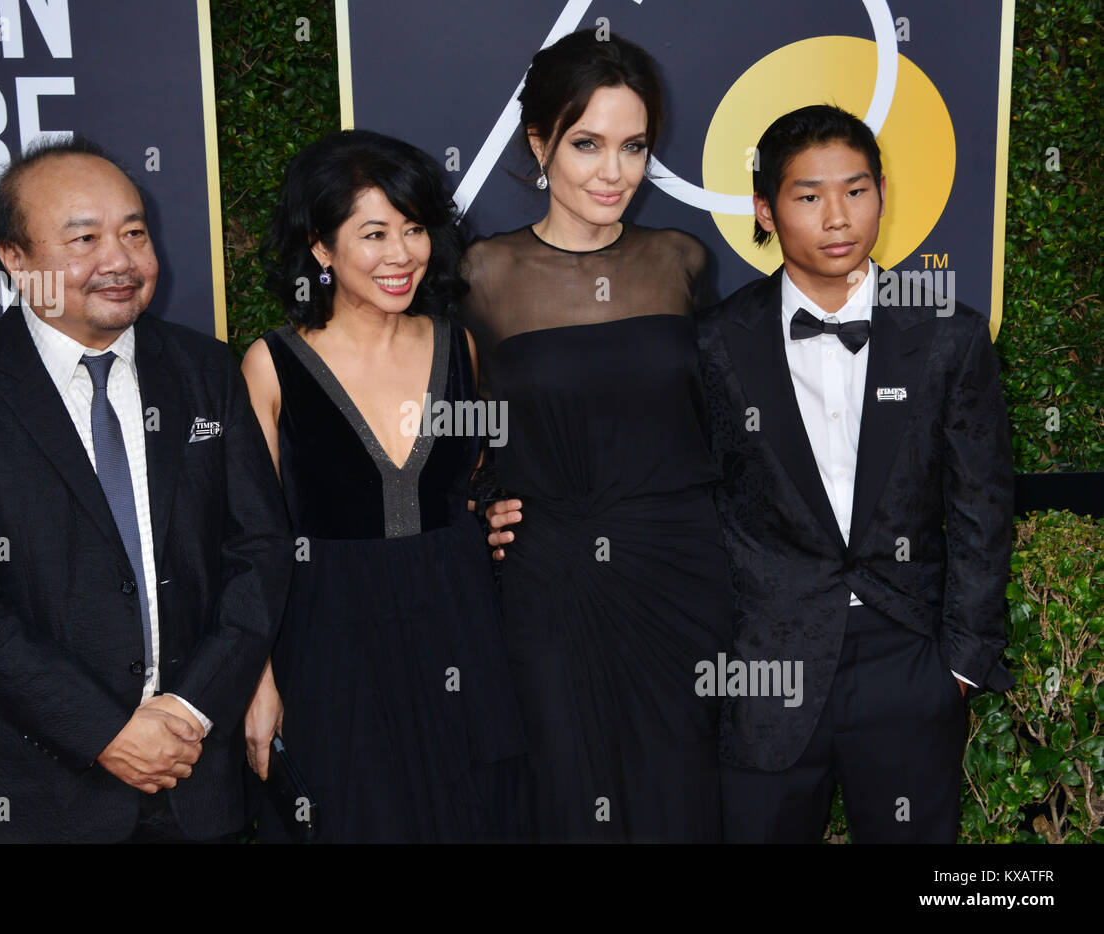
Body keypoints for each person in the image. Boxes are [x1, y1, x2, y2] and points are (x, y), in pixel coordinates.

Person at [0, 135, 292, 843]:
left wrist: (194, 710)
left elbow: (258, 547)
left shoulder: (204, 370)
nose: (119, 260)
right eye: (85, 238)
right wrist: (105, 730)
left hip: (201, 776)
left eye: (134, 232)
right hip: (47, 790)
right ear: (15, 260)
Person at [696, 104, 1015, 842]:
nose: (837, 217)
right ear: (766, 211)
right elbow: (699, 498)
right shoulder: (716, 341)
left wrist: (961, 663)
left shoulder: (948, 333)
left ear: (880, 193)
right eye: (808, 196)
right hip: (765, 665)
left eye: (857, 189)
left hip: (908, 657)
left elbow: (983, 503)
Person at [467, 30, 732, 842]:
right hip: (548, 576)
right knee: (567, 790)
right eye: (587, 144)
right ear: (539, 142)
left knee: (680, 791)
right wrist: (474, 506)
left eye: (634, 146)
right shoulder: (482, 274)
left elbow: (719, 424)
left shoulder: (682, 260)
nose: (613, 172)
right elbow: (452, 426)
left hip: (681, 568)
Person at [241, 129, 525, 843]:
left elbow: (469, 478)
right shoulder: (271, 367)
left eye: (414, 228)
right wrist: (259, 678)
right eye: (373, 233)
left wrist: (486, 516)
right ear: (320, 247)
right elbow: (249, 540)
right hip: (330, 647)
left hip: (460, 631)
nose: (401, 254)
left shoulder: (457, 343)